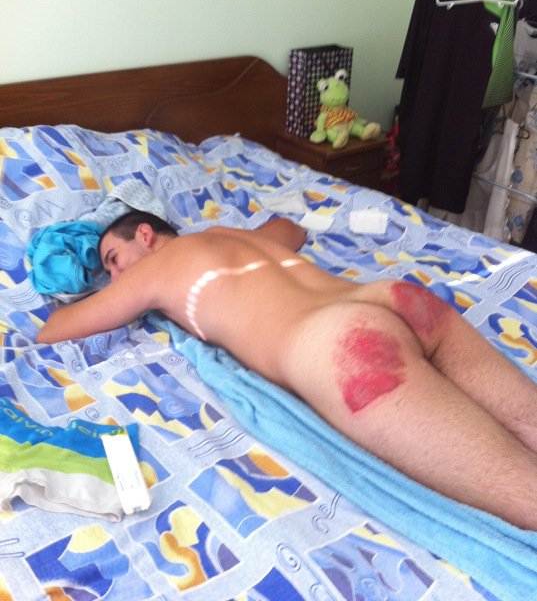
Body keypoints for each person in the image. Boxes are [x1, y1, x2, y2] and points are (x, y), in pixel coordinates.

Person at [37, 211, 537, 530]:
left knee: (523, 492)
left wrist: (87, 277)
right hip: (395, 298)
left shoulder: (148, 270)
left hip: (342, 346)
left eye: (113, 259)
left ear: (145, 235)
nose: (115, 276)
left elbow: (54, 329)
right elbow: (291, 227)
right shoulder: (229, 236)